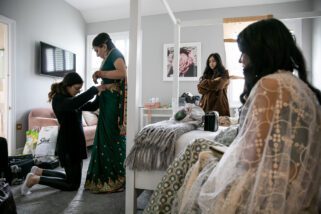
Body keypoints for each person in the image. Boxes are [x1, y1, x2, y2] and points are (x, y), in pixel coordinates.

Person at [145, 18, 321, 214]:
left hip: (272, 183)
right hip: (295, 179)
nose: (241, 60)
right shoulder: (298, 86)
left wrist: (219, 158)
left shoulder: (270, 86)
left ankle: (157, 209)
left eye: (244, 53)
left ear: (261, 53)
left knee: (200, 152)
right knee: (201, 148)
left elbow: (252, 156)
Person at [21, 72, 107, 195]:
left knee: (70, 178)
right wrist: (94, 89)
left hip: (75, 142)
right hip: (68, 144)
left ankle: (39, 171)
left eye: (79, 89)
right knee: (72, 184)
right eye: (76, 89)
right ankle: (35, 179)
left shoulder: (72, 99)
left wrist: (99, 94)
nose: (78, 91)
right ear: (67, 86)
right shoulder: (58, 99)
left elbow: (93, 106)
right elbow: (74, 104)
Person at [84, 32, 127, 193]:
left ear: (104, 45)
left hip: (112, 102)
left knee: (111, 137)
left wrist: (101, 73)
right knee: (104, 138)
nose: (97, 54)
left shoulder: (115, 54)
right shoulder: (108, 56)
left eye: (97, 50)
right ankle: (104, 176)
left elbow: (122, 73)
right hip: (107, 100)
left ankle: (115, 177)